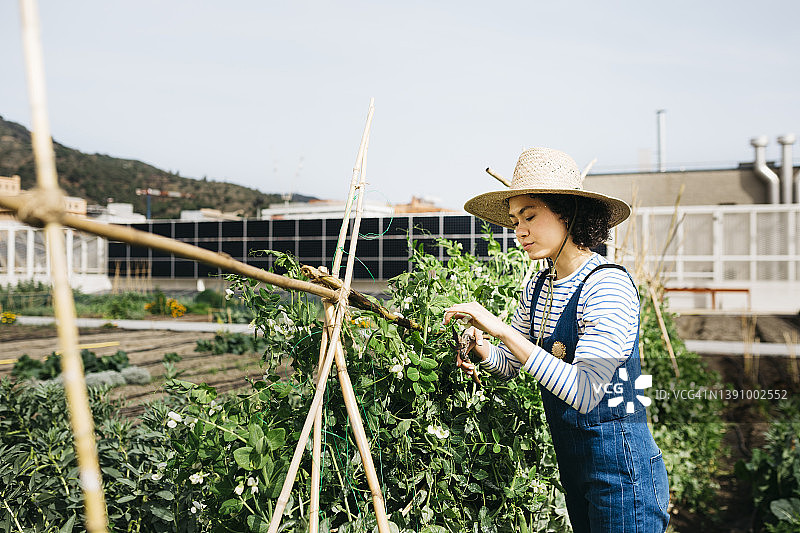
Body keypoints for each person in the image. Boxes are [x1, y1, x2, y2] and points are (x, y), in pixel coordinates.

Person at [443, 147, 670, 533]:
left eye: (530, 216)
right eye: (515, 220)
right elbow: (510, 365)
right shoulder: (538, 287)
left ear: (569, 213)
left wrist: (501, 328)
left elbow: (585, 392)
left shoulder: (607, 284)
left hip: (625, 473)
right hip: (576, 466)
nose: (520, 231)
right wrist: (481, 346)